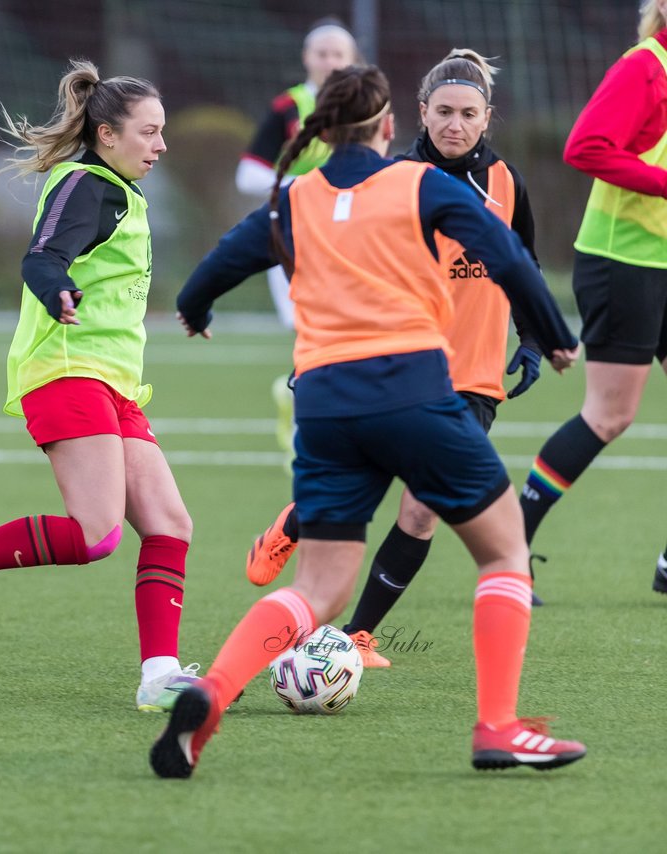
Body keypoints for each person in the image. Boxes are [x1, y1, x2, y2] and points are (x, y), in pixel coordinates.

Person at [150, 65, 585, 778]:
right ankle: (498, 728)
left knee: (319, 590)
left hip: (324, 409)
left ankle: (212, 691)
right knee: (504, 551)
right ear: (392, 126)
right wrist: (554, 336)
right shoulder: (423, 183)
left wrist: (197, 308)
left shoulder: (297, 197)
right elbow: (508, 253)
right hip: (413, 392)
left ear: (322, 128)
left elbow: (217, 266)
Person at [0, 59, 199, 712]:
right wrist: (58, 290)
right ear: (107, 134)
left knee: (170, 524)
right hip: (64, 372)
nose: (161, 146)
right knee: (95, 535)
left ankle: (159, 676)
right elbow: (43, 257)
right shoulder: (88, 184)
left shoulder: (120, 189)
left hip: (112, 383)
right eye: (149, 132)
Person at [243, 49, 550, 666]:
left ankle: (355, 635)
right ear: (420, 112)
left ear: (487, 117)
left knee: (423, 507)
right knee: (370, 483)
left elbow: (526, 263)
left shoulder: (506, 183)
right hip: (399, 361)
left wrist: (534, 338)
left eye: (468, 113)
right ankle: (293, 524)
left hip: (475, 374)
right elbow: (341, 276)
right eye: (443, 112)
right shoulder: (394, 179)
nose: (454, 125)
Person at [516, 0, 667, 598]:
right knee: (609, 415)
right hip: (623, 262)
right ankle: (511, 549)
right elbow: (585, 146)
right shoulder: (645, 66)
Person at [236, 19, 358, 464]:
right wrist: (305, 188)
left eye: (338, 54)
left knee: (339, 332)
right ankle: (306, 418)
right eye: (321, 53)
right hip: (289, 239)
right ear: (307, 58)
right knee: (310, 331)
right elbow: (248, 173)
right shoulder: (289, 106)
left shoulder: (366, 107)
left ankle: (308, 407)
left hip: (348, 243)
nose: (329, 61)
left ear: (352, 60)